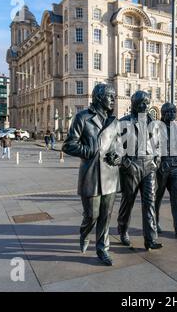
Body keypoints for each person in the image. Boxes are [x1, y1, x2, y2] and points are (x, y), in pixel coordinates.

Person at [62, 84, 122, 266]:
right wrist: (88, 151)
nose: (113, 100)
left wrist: (118, 156)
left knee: (106, 216)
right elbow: (68, 145)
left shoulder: (115, 122)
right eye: (110, 96)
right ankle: (84, 232)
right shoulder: (83, 118)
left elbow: (119, 145)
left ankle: (103, 249)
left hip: (110, 176)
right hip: (91, 175)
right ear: (98, 98)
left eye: (114, 96)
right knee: (92, 215)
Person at [117, 91, 163, 251]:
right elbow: (116, 147)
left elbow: (158, 144)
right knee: (127, 201)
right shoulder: (123, 122)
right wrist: (126, 163)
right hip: (132, 166)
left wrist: (157, 159)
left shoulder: (154, 123)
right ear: (134, 104)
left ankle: (150, 239)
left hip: (149, 166)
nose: (145, 106)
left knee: (149, 202)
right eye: (142, 103)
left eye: (147, 102)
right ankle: (122, 230)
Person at [154, 103, 177, 239]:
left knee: (176, 198)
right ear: (163, 113)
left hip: (175, 168)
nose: (172, 114)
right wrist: (157, 164)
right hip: (161, 168)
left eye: (174, 112)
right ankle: (154, 222)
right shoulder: (156, 129)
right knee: (157, 197)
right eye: (169, 112)